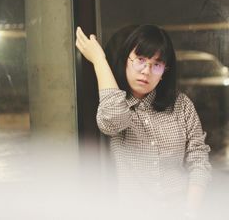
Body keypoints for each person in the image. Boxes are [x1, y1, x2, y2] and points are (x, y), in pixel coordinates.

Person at [75, 25, 211, 218]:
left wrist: (190, 211)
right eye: (140, 60)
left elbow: (198, 158)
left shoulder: (181, 104)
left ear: (164, 71)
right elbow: (112, 119)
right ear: (126, 61)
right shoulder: (118, 107)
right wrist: (99, 60)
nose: (146, 71)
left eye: (157, 64)